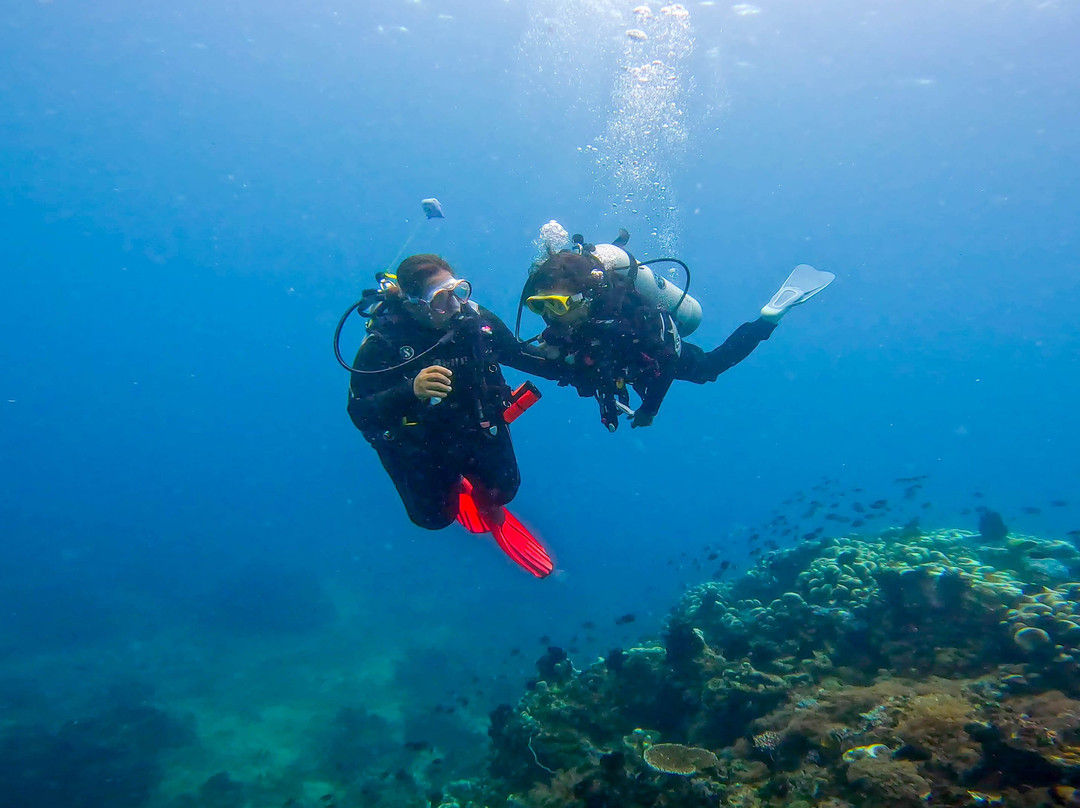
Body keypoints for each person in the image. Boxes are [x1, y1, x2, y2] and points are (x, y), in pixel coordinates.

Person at [346, 254, 559, 578]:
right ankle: (453, 487)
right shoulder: (384, 343)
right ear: (414, 303)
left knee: (505, 491)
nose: (456, 305)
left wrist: (578, 367)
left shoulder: (476, 322)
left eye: (458, 291)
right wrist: (410, 391)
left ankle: (489, 507)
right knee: (432, 519)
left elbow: (519, 355)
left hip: (476, 427)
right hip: (419, 445)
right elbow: (360, 413)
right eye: (440, 299)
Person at [517, 232, 834, 430]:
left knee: (707, 369)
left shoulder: (630, 326)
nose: (548, 316)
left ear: (586, 295)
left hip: (658, 350)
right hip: (617, 360)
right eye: (538, 306)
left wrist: (648, 409)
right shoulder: (568, 321)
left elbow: (666, 363)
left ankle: (768, 318)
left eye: (556, 305)